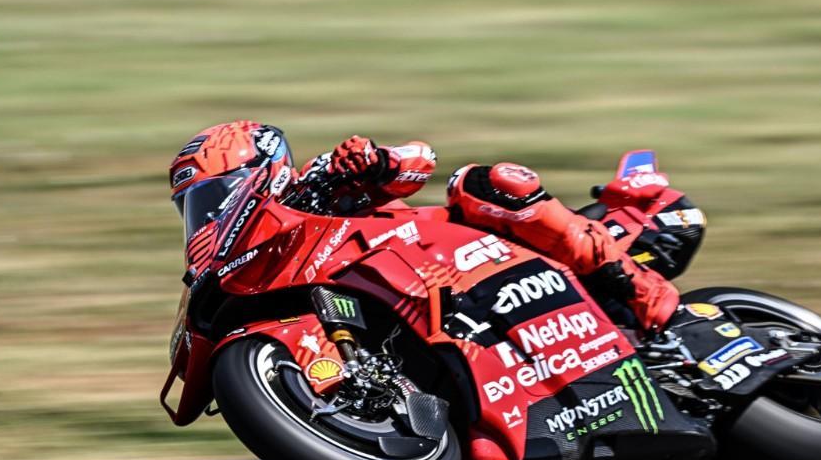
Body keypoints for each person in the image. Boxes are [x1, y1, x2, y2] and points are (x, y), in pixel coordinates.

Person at [169, 121, 680, 333]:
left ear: (261, 170)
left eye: (216, 196)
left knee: (484, 183)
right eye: (197, 208)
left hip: (460, 256)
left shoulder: (321, 180)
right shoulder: (263, 257)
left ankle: (644, 293)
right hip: (418, 303)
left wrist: (376, 162)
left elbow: (421, 161)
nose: (211, 215)